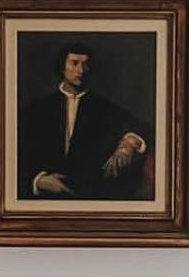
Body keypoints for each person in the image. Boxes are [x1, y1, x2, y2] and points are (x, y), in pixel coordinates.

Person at [17, 41, 154, 200]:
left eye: (86, 64)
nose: (81, 70)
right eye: (74, 63)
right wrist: (38, 180)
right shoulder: (37, 109)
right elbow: (15, 154)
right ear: (62, 67)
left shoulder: (105, 108)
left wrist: (128, 143)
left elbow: (139, 126)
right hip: (43, 197)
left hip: (89, 193)